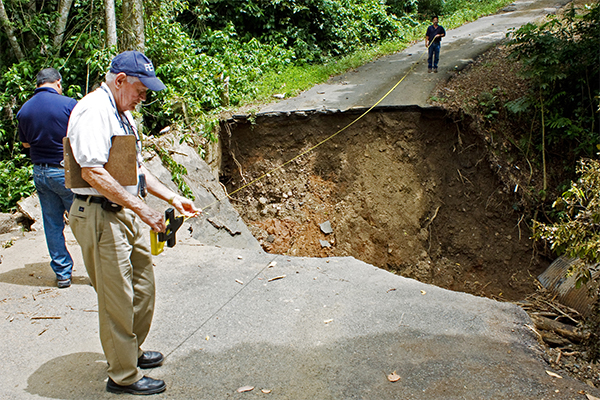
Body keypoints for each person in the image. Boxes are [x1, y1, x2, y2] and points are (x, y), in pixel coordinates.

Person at [67, 51, 199, 395]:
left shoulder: (123, 114)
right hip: (99, 214)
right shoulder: (93, 111)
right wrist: (143, 210)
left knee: (143, 287)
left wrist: (172, 197)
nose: (144, 97)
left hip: (124, 212)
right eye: (141, 89)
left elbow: (136, 170)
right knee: (117, 299)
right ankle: (122, 375)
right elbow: (91, 171)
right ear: (120, 80)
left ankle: (132, 351)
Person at [17, 68, 77, 288]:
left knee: (52, 223)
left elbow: (25, 144)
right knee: (83, 221)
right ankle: (97, 269)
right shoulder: (69, 105)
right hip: (65, 171)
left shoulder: (24, 110)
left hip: (40, 172)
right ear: (58, 83)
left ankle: (62, 273)